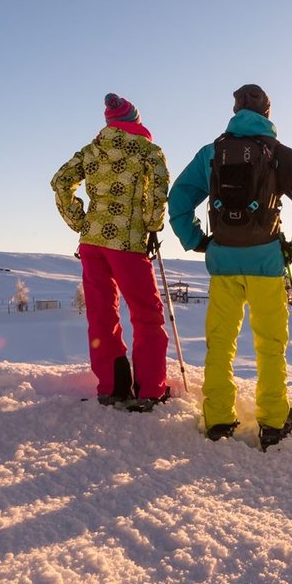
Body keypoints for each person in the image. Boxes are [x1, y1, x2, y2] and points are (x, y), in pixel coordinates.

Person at [168, 84, 292, 449]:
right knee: (270, 344)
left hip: (223, 263)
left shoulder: (212, 153)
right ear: (267, 113)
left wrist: (196, 240)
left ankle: (219, 419)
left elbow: (179, 199)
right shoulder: (281, 154)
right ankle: (272, 421)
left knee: (220, 343)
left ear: (236, 109)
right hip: (266, 263)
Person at [51, 93, 171, 411]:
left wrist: (79, 220)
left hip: (92, 243)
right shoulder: (148, 150)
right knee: (146, 314)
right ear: (135, 121)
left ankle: (112, 387)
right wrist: (152, 223)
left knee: (102, 315)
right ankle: (149, 390)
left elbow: (61, 181)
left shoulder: (92, 150)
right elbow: (159, 188)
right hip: (128, 242)